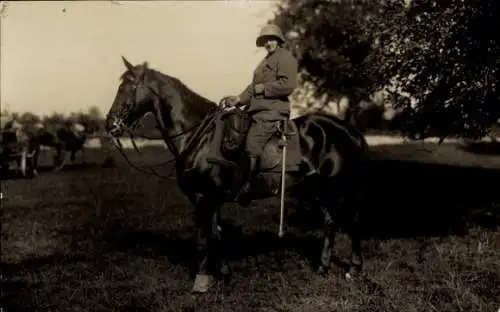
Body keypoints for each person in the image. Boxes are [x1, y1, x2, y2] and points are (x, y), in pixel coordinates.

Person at [207, 23, 299, 199]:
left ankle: (249, 184)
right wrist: (238, 99)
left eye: (271, 39)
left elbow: (288, 85)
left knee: (252, 142)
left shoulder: (286, 58)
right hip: (256, 111)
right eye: (265, 40)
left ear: (278, 41)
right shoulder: (264, 63)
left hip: (273, 111)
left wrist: (263, 89)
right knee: (233, 133)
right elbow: (252, 88)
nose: (267, 43)